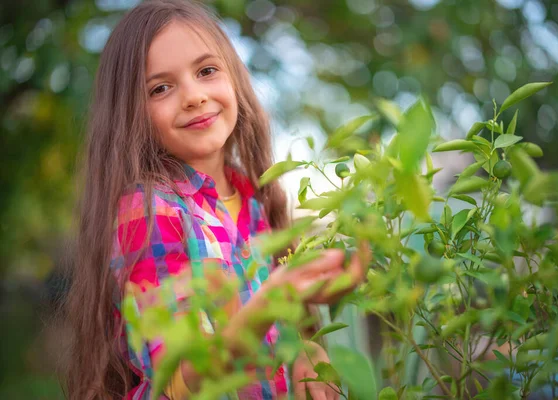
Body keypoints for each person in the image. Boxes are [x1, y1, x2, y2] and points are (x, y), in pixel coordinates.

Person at [62, 0, 369, 399]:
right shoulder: (151, 211)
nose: (193, 96)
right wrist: (277, 297)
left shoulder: (253, 199)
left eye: (206, 71)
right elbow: (181, 377)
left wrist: (300, 350)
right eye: (160, 88)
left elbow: (272, 336)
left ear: (235, 80)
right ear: (131, 113)